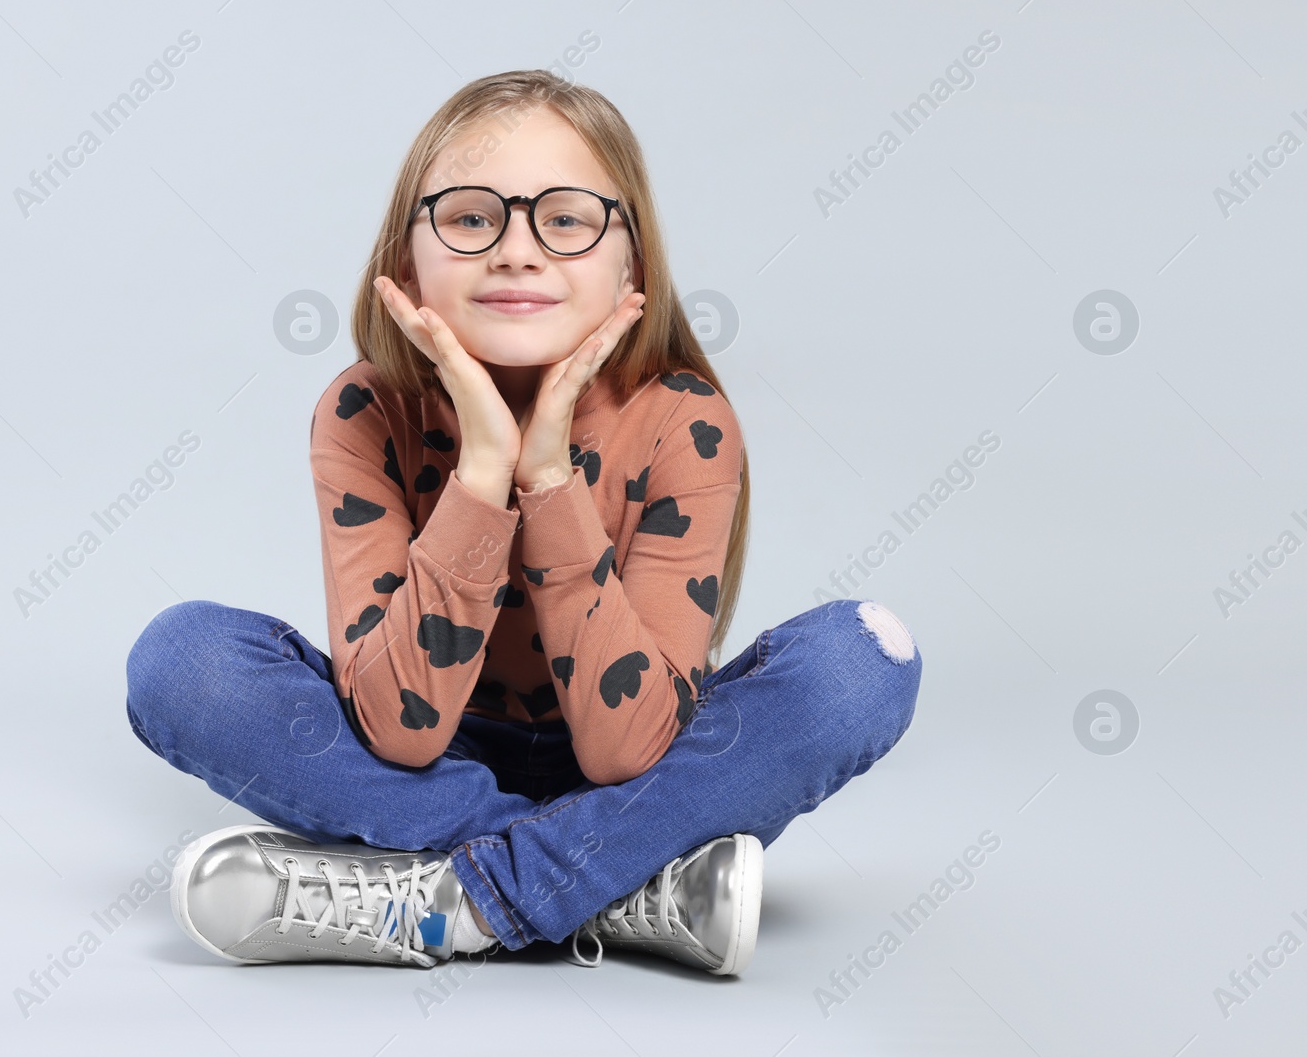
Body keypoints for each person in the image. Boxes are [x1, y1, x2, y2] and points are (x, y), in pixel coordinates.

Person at [125, 69, 921, 976]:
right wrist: (482, 470)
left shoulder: (684, 418)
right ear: (406, 256)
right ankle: (624, 883)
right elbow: (400, 732)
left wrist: (548, 478)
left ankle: (463, 900)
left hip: (643, 758)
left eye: (568, 219)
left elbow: (628, 749)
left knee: (867, 657)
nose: (516, 251)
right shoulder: (363, 410)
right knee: (181, 661)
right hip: (429, 766)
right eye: (470, 218)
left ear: (634, 262)